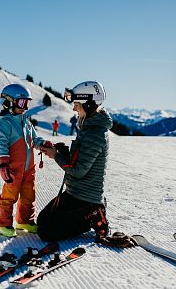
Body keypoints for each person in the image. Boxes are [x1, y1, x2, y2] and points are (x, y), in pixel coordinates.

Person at [38, 81, 112, 242]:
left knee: (46, 231)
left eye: (77, 104)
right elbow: (78, 159)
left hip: (85, 197)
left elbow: (78, 171)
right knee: (42, 221)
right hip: (74, 192)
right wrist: (61, 151)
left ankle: (94, 214)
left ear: (89, 105)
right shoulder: (88, 128)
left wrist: (55, 156)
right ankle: (91, 211)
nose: (73, 108)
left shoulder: (94, 134)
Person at [0, 84, 52, 237]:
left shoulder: (26, 121)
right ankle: (3, 224)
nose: (25, 107)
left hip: (28, 169)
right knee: (9, 196)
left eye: (27, 103)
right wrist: (3, 163)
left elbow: (35, 138)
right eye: (21, 103)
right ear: (9, 102)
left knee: (29, 195)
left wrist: (43, 143)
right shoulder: (5, 122)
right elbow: (1, 143)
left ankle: (24, 221)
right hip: (13, 169)